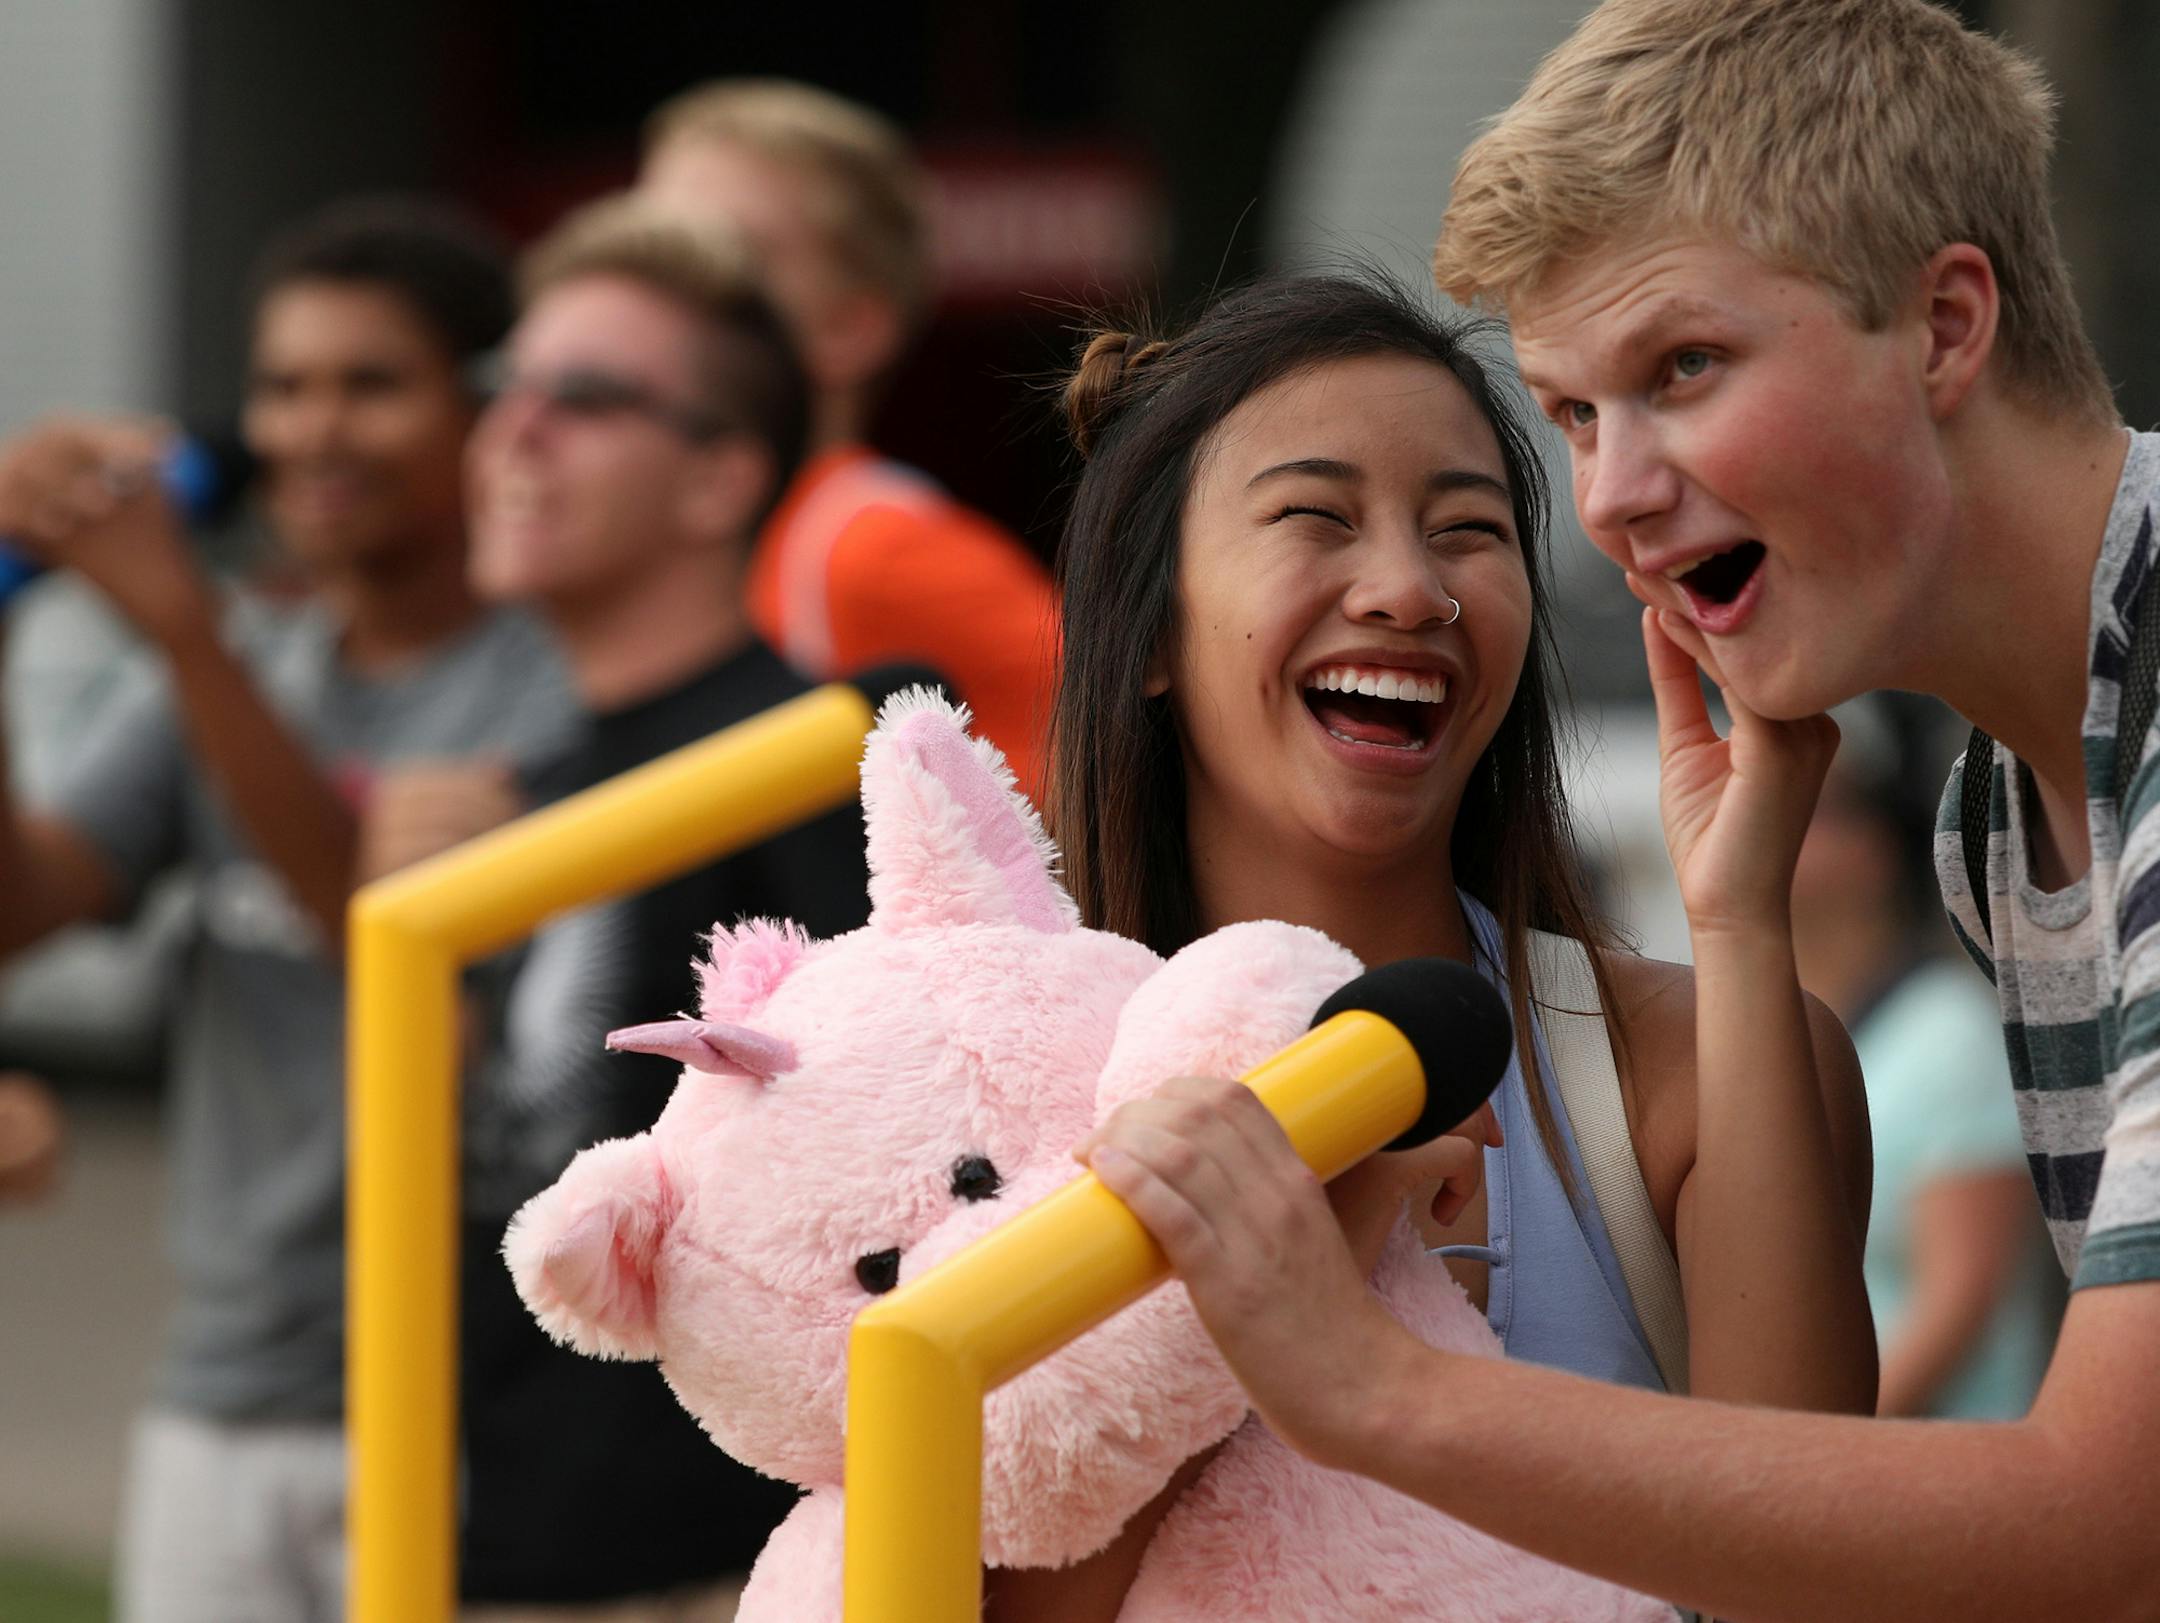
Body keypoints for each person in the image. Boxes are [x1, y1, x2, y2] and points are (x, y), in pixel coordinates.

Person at [1079, 2, 2160, 1617]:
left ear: (1946, 325)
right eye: (1577, 416)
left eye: (1686, 370)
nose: (1612, 500)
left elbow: (2110, 1518)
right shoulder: (2006, 814)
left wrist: (1371, 1386)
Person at [983, 269, 1875, 1620]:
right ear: (1150, 628)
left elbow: (1812, 1569)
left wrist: (1742, 918)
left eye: (1469, 530)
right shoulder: (986, 1087)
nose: (1409, 590)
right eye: (1315, 518)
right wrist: (1266, 1293)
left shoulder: (1697, 1057)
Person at [0, 197, 576, 1622]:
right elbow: (25, 906)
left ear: (485, 411)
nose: (315, 430)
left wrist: (185, 632)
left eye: (371, 384)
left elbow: (389, 950)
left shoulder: (556, 685)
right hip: (220, 1386)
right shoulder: (239, 658)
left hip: (470, 1396)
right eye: (284, 385)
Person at [371, 196, 871, 1619]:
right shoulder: (525, 783)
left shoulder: (806, 759)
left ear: (722, 479)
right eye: (500, 390)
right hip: (502, 1533)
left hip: (717, 1560)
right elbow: (478, 1148)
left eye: (582, 397)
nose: (507, 434)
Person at [637, 78, 1060, 792]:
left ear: (849, 329)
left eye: (726, 254)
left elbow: (1122, 810)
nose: (658, 289)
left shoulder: (880, 553)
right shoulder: (676, 545)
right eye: (644, 247)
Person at [1791, 702, 2059, 1420]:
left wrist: (1808, 1459)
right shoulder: (1763, 1033)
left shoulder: (1948, 1025)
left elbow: (1961, 1300)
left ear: (1874, 846)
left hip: (1920, 1482)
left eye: (1811, 805)